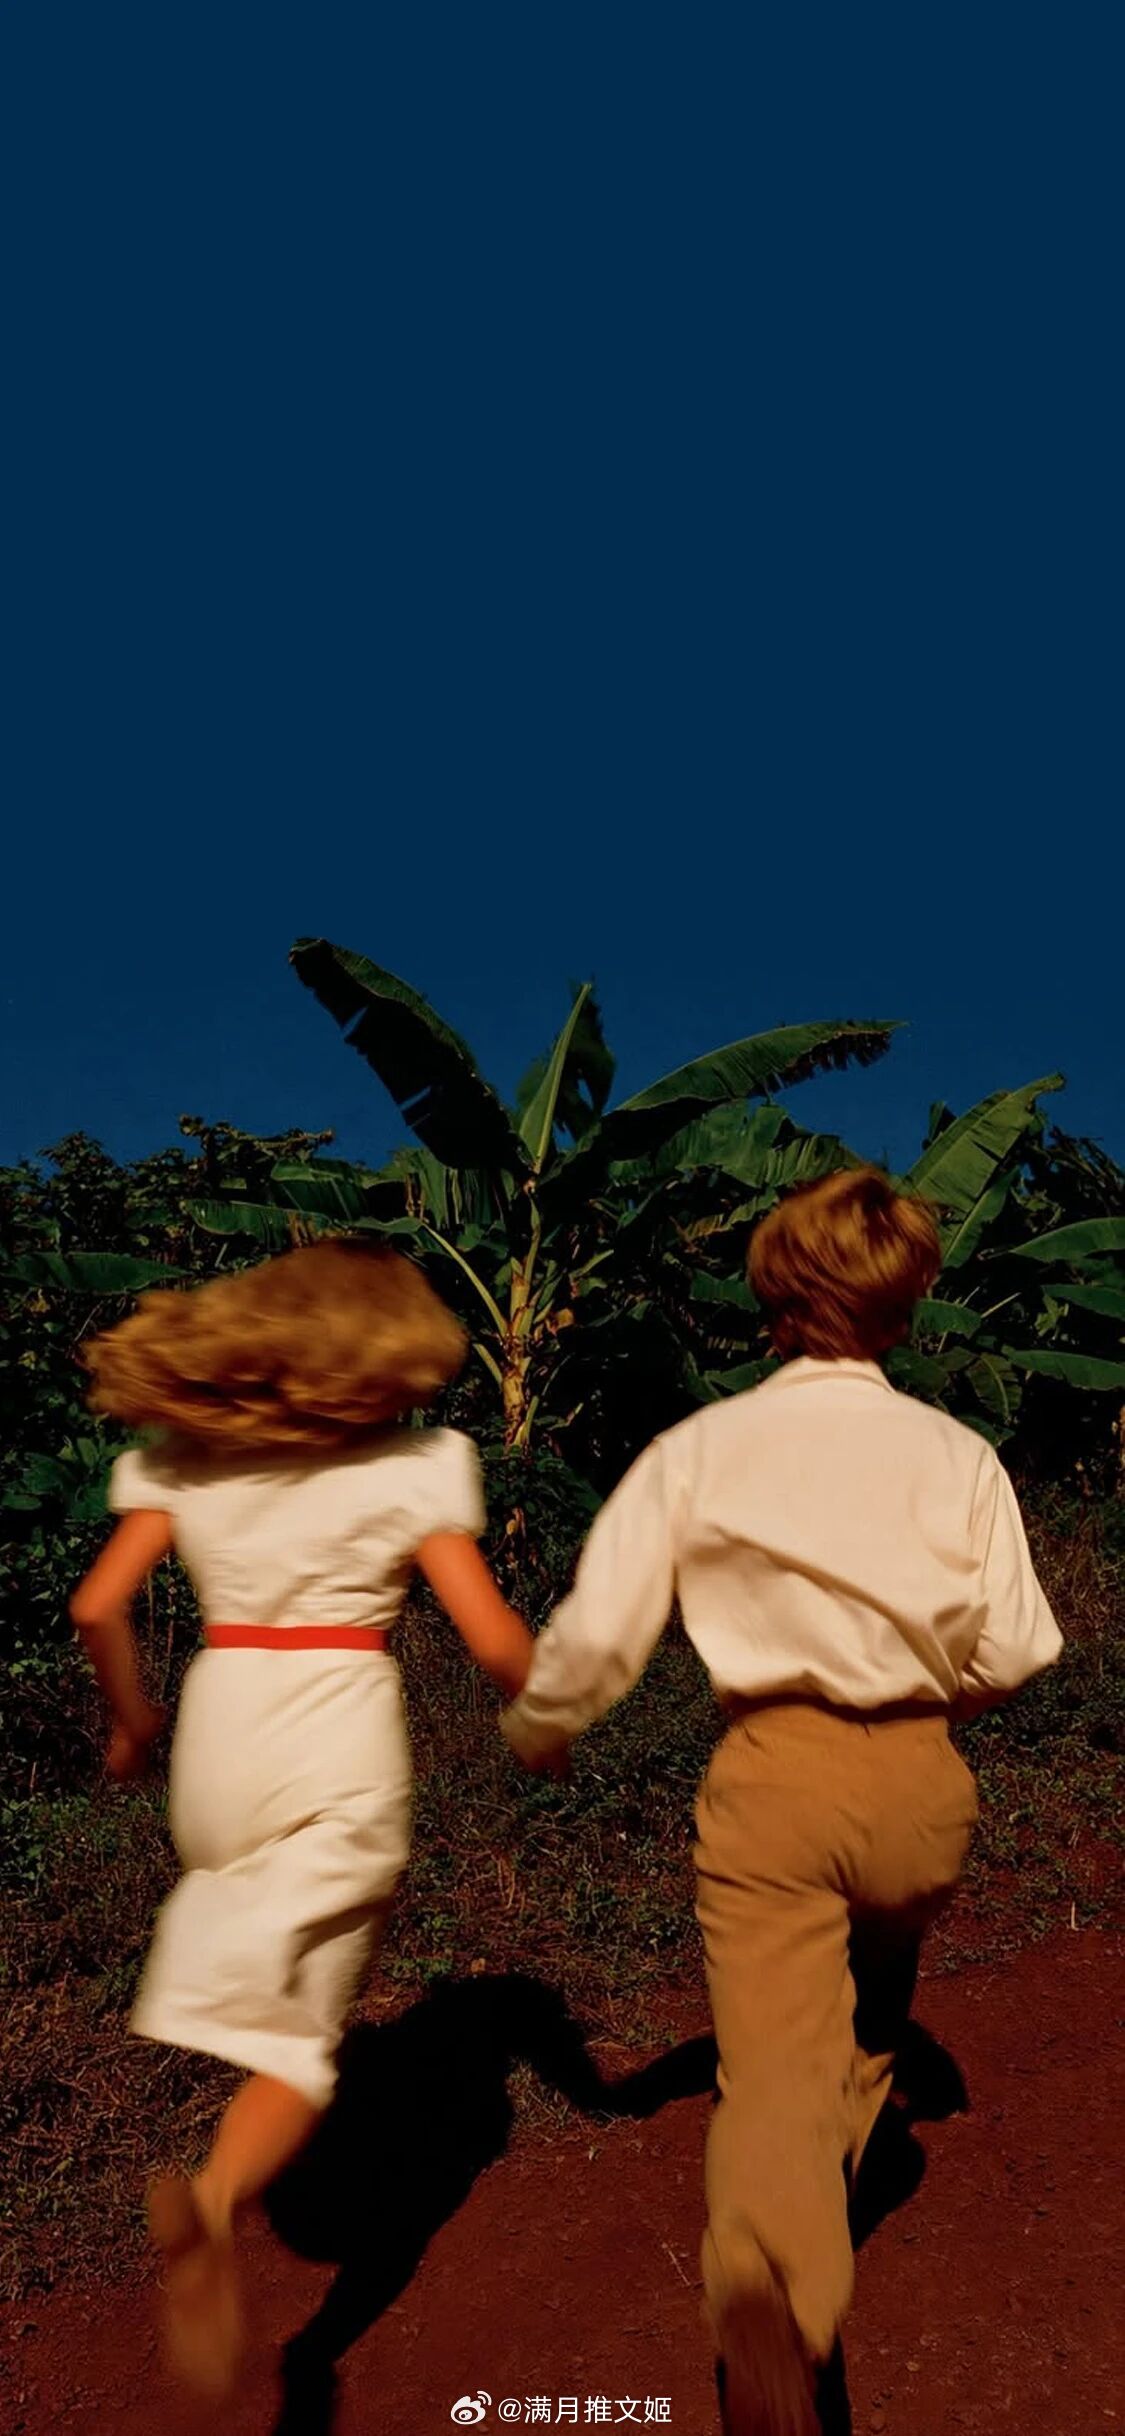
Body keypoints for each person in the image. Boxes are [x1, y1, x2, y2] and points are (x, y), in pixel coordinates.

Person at [500, 1167, 1062, 2436]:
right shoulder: (959, 1455)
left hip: (774, 1773)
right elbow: (1019, 1647)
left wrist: (542, 1724)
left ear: (774, 1295)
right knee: (864, 2032)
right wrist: (925, 1707)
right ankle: (807, 2240)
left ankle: (771, 2291)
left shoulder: (703, 1450)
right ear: (905, 1303)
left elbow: (600, 1636)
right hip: (921, 1781)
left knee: (768, 2071)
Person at [71, 1239, 533, 2400]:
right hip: (336, 1724)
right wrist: (552, 1708)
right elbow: (494, 1640)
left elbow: (98, 1603)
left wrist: (131, 1724)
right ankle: (218, 2205)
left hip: (220, 1729)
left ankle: (226, 2017)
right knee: (305, 2032)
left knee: (257, 1933)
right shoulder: (416, 1466)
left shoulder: (186, 1461)